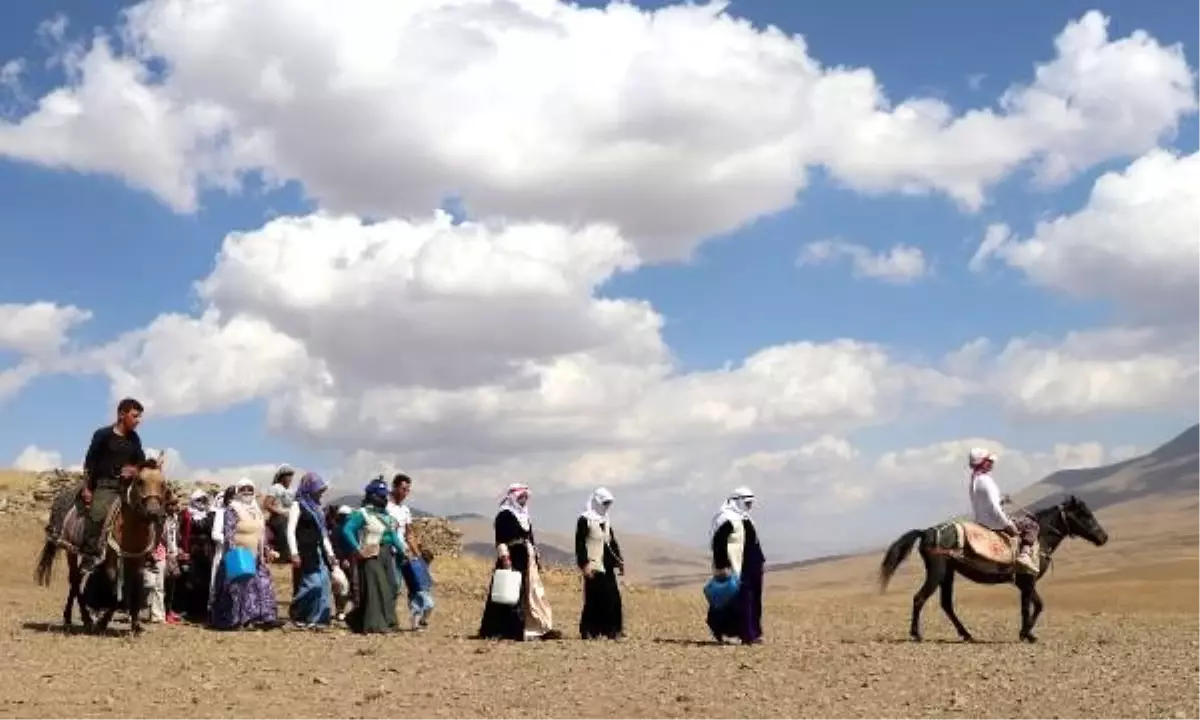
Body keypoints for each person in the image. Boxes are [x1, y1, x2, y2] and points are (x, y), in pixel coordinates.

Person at [476, 483, 561, 641]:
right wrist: (506, 560)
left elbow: (530, 537)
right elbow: (500, 540)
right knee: (509, 592)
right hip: (511, 557)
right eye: (521, 497)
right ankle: (504, 630)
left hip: (526, 558)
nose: (523, 500)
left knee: (528, 592)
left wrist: (535, 556)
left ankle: (532, 627)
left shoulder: (524, 515)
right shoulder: (504, 515)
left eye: (525, 497)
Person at [79, 397, 148, 572]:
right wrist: (87, 488)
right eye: (135, 416)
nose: (138, 421)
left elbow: (142, 464)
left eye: (139, 417)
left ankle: (145, 553)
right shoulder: (103, 435)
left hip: (126, 489)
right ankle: (89, 556)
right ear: (121, 414)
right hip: (104, 486)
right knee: (98, 513)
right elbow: (90, 463)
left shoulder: (134, 439)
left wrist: (134, 470)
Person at [209, 479, 281, 631]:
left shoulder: (256, 511)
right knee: (238, 590)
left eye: (250, 489)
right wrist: (233, 551)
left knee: (263, 585)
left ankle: (266, 617)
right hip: (239, 555)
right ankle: (235, 620)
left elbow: (262, 533)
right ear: (238, 491)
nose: (247, 492)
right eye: (243, 489)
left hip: (256, 556)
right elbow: (229, 532)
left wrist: (267, 549)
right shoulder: (233, 509)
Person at [339, 478, 406, 634]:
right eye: (381, 495)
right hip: (371, 555)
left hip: (386, 554)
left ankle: (387, 622)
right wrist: (357, 549)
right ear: (372, 495)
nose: (384, 498)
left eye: (385, 495)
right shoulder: (362, 514)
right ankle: (375, 625)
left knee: (390, 587)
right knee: (377, 589)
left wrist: (403, 550)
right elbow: (347, 530)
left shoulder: (386, 516)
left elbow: (391, 535)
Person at [707, 487, 765, 645]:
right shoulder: (726, 519)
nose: (749, 506)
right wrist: (722, 566)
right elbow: (718, 544)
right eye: (746, 503)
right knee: (734, 600)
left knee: (753, 600)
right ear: (737, 501)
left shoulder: (746, 518)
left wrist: (760, 561)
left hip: (751, 566)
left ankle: (752, 633)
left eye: (750, 503)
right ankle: (730, 633)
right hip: (734, 567)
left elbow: (753, 542)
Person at [968, 448, 1039, 573]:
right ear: (983, 463)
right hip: (993, 522)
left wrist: (1002, 501)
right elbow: (994, 508)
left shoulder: (975, 480)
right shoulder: (986, 481)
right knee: (1031, 525)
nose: (992, 463)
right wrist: (1008, 525)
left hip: (981, 521)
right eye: (989, 461)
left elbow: (986, 504)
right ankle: (1025, 555)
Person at [286, 471, 337, 629]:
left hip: (318, 550)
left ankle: (318, 618)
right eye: (318, 490)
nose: (320, 493)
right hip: (305, 549)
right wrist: (294, 552)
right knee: (312, 583)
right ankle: (297, 611)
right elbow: (290, 530)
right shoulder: (298, 505)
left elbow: (323, 533)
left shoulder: (317, 508)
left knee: (324, 584)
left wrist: (331, 553)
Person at [575, 487, 624, 640]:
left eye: (608, 503)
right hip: (593, 563)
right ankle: (589, 630)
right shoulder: (585, 519)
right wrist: (584, 564)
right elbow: (580, 543)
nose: (606, 506)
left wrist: (619, 561)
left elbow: (611, 541)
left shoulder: (605, 519)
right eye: (604, 502)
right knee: (594, 598)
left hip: (607, 564)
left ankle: (613, 630)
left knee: (613, 597)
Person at [387, 473, 426, 628]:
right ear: (395, 487)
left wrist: (418, 556)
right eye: (403, 489)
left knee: (409, 586)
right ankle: (389, 618)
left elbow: (409, 534)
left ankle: (412, 619)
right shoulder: (385, 507)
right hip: (389, 550)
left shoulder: (405, 510)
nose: (405, 493)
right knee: (393, 585)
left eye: (408, 490)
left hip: (403, 552)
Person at [262, 464, 296, 562]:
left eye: (291, 476)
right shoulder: (275, 488)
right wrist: (281, 513)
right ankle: (284, 557)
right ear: (282, 477)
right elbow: (267, 504)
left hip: (290, 517)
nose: (290, 478)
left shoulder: (291, 490)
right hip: (278, 518)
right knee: (284, 529)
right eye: (287, 476)